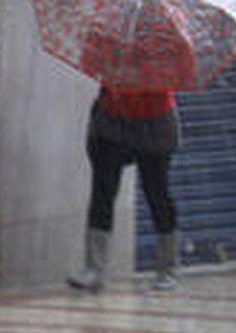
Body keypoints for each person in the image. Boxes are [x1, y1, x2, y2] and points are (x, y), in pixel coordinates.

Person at [67, 84, 181, 292]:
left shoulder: (167, 50)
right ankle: (94, 269)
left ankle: (168, 268)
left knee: (157, 194)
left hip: (154, 120)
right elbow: (90, 60)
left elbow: (183, 69)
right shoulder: (110, 50)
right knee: (102, 193)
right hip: (112, 119)